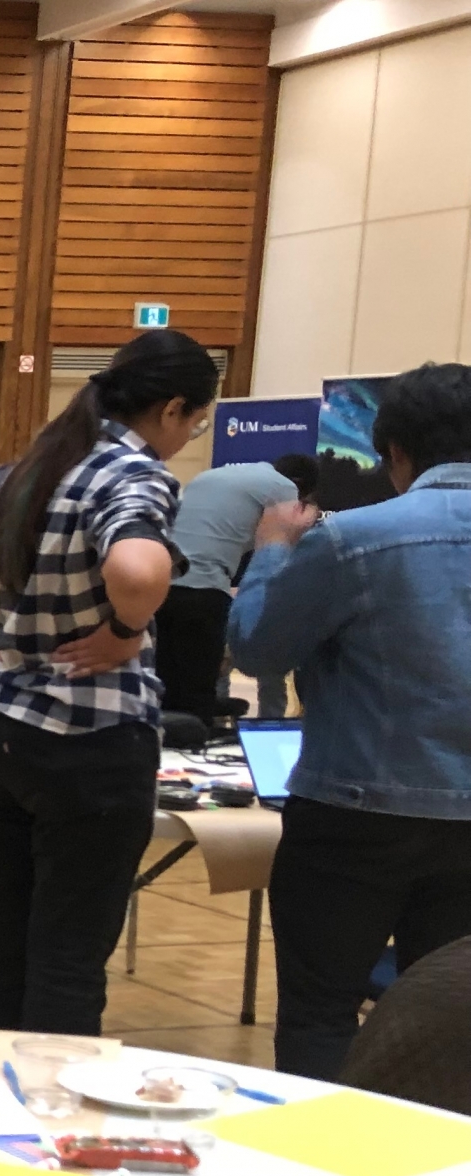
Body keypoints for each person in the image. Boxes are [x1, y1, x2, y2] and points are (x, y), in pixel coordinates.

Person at [0, 328, 216, 1035]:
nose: (189, 435)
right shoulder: (133, 476)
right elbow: (138, 570)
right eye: (194, 422)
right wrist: (128, 631)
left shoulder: (38, 466)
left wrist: (1, 594)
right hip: (90, 737)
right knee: (68, 958)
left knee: (0, 942)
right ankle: (44, 1128)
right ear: (170, 409)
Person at [230, 361, 471, 1081]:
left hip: (352, 813)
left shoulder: (354, 539)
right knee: (450, 1021)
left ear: (394, 452)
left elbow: (259, 646)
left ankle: (322, 1169)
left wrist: (272, 552)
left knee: (319, 1010)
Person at [160, 452, 302, 724]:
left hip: (162, 585)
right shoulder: (284, 488)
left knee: (167, 686)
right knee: (198, 690)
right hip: (205, 592)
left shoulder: (209, 477)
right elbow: (280, 552)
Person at [241, 453, 316, 721]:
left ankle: (271, 723)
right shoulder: (268, 510)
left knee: (272, 673)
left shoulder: (302, 516)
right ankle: (269, 722)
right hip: (263, 594)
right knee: (270, 672)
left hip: (271, 595)